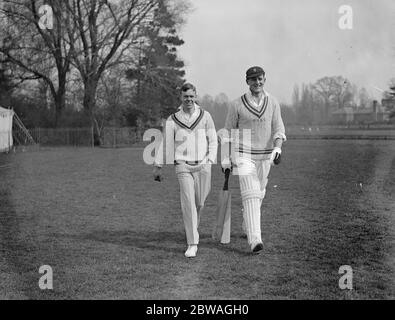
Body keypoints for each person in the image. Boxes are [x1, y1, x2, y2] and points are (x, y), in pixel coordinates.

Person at [221, 66, 286, 254]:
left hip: (265, 156)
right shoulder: (236, 104)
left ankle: (246, 224)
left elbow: (278, 129)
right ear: (247, 82)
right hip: (243, 155)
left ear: (265, 79)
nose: (257, 82)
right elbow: (228, 132)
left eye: (260, 79)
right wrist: (225, 157)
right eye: (253, 79)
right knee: (250, 194)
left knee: (260, 193)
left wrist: (277, 147)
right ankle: (255, 239)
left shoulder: (273, 102)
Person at [153, 83, 218, 258]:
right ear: (181, 98)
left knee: (200, 202)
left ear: (196, 96)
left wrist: (210, 160)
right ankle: (192, 243)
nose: (188, 99)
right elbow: (166, 143)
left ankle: (193, 228)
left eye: (191, 96)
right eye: (185, 96)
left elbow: (213, 140)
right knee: (188, 203)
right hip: (182, 165)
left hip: (203, 164)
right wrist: (158, 166)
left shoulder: (206, 116)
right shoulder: (172, 119)